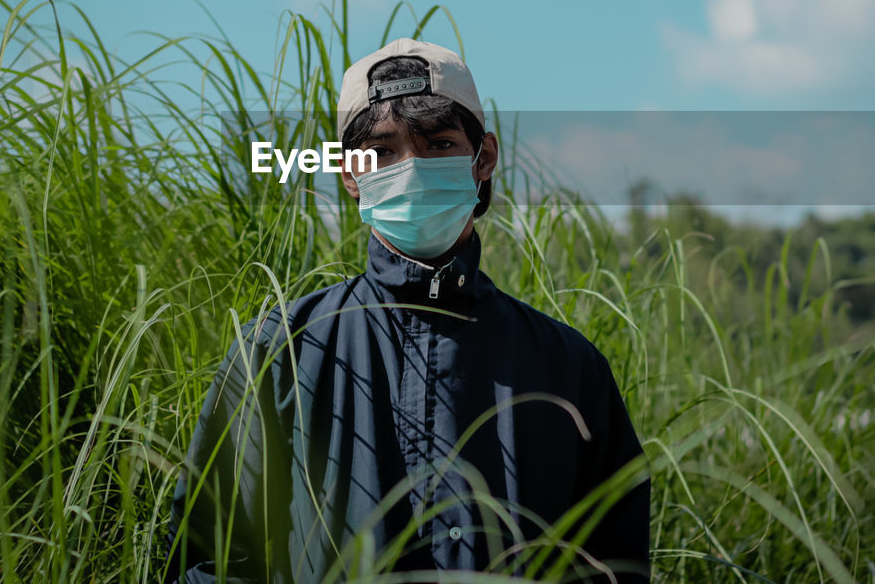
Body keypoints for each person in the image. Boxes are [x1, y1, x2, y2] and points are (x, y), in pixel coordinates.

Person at [165, 38, 650, 583]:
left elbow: (616, 566)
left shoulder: (570, 367)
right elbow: (209, 561)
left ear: (483, 158)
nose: (412, 170)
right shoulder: (279, 349)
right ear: (350, 175)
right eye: (383, 152)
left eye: (439, 145)